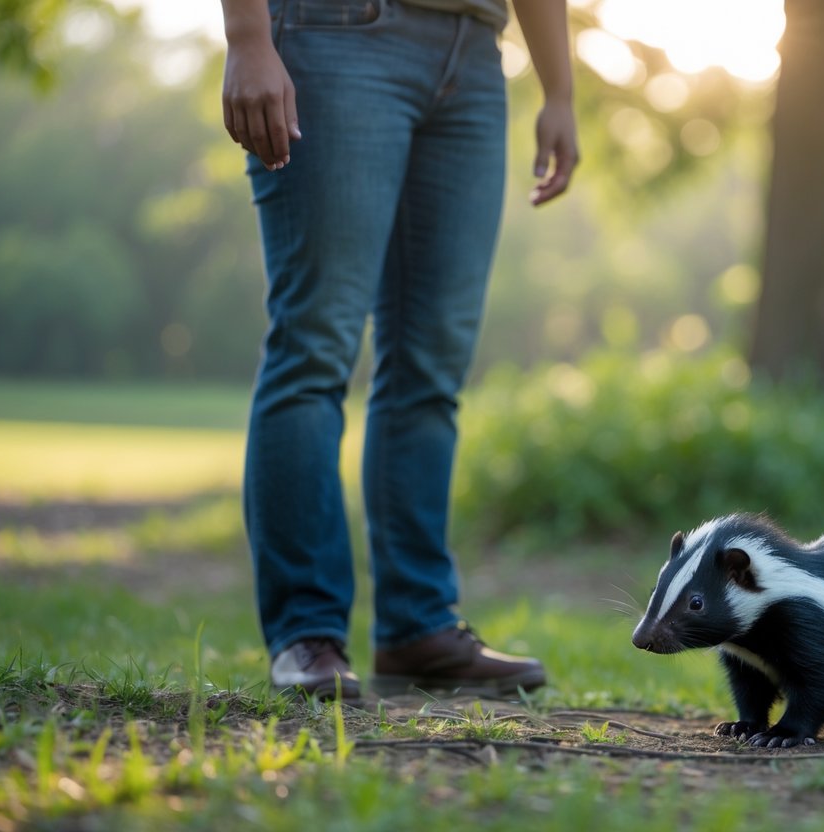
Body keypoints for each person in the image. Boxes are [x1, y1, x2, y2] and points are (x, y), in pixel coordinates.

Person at [219, 0, 578, 700]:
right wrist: (246, 35)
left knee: (431, 366)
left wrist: (559, 88)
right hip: (336, 33)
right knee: (315, 347)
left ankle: (417, 627)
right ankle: (306, 631)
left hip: (475, 53)